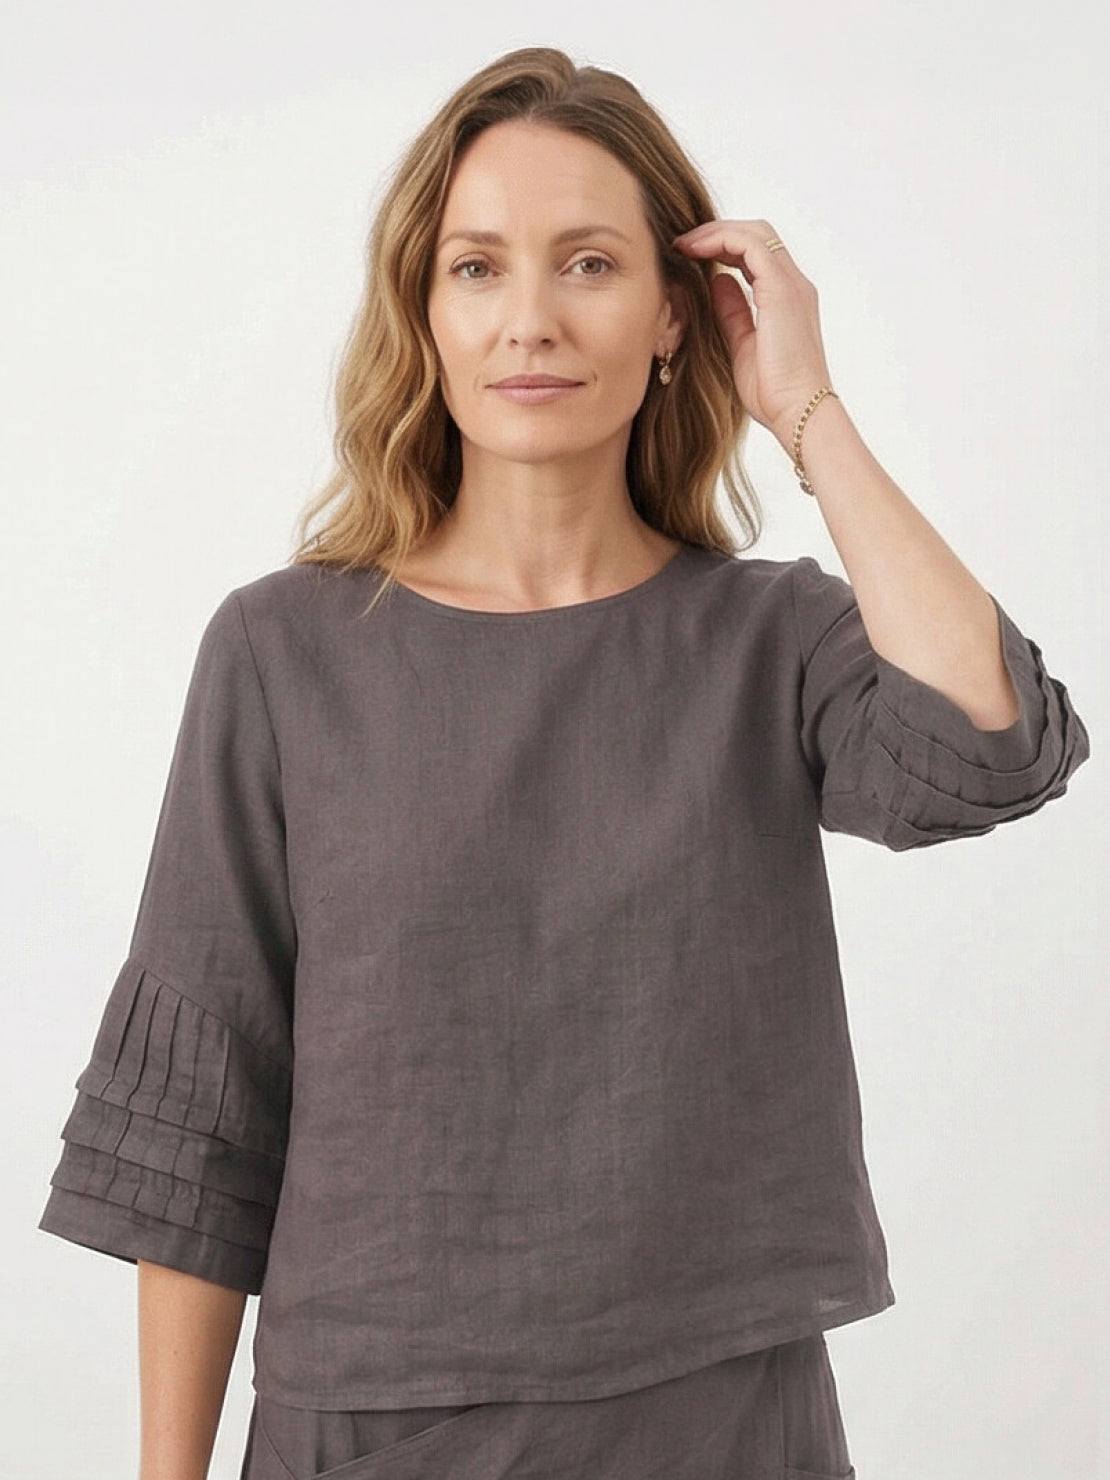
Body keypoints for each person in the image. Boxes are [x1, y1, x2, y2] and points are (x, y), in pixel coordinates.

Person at [37, 46, 1090, 1480]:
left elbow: (987, 743)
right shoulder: (284, 653)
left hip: (725, 1420)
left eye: (588, 264)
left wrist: (805, 410)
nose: (529, 319)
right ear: (424, 312)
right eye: (477, 268)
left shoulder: (767, 638)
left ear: (674, 316)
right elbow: (202, 1109)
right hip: (377, 1428)